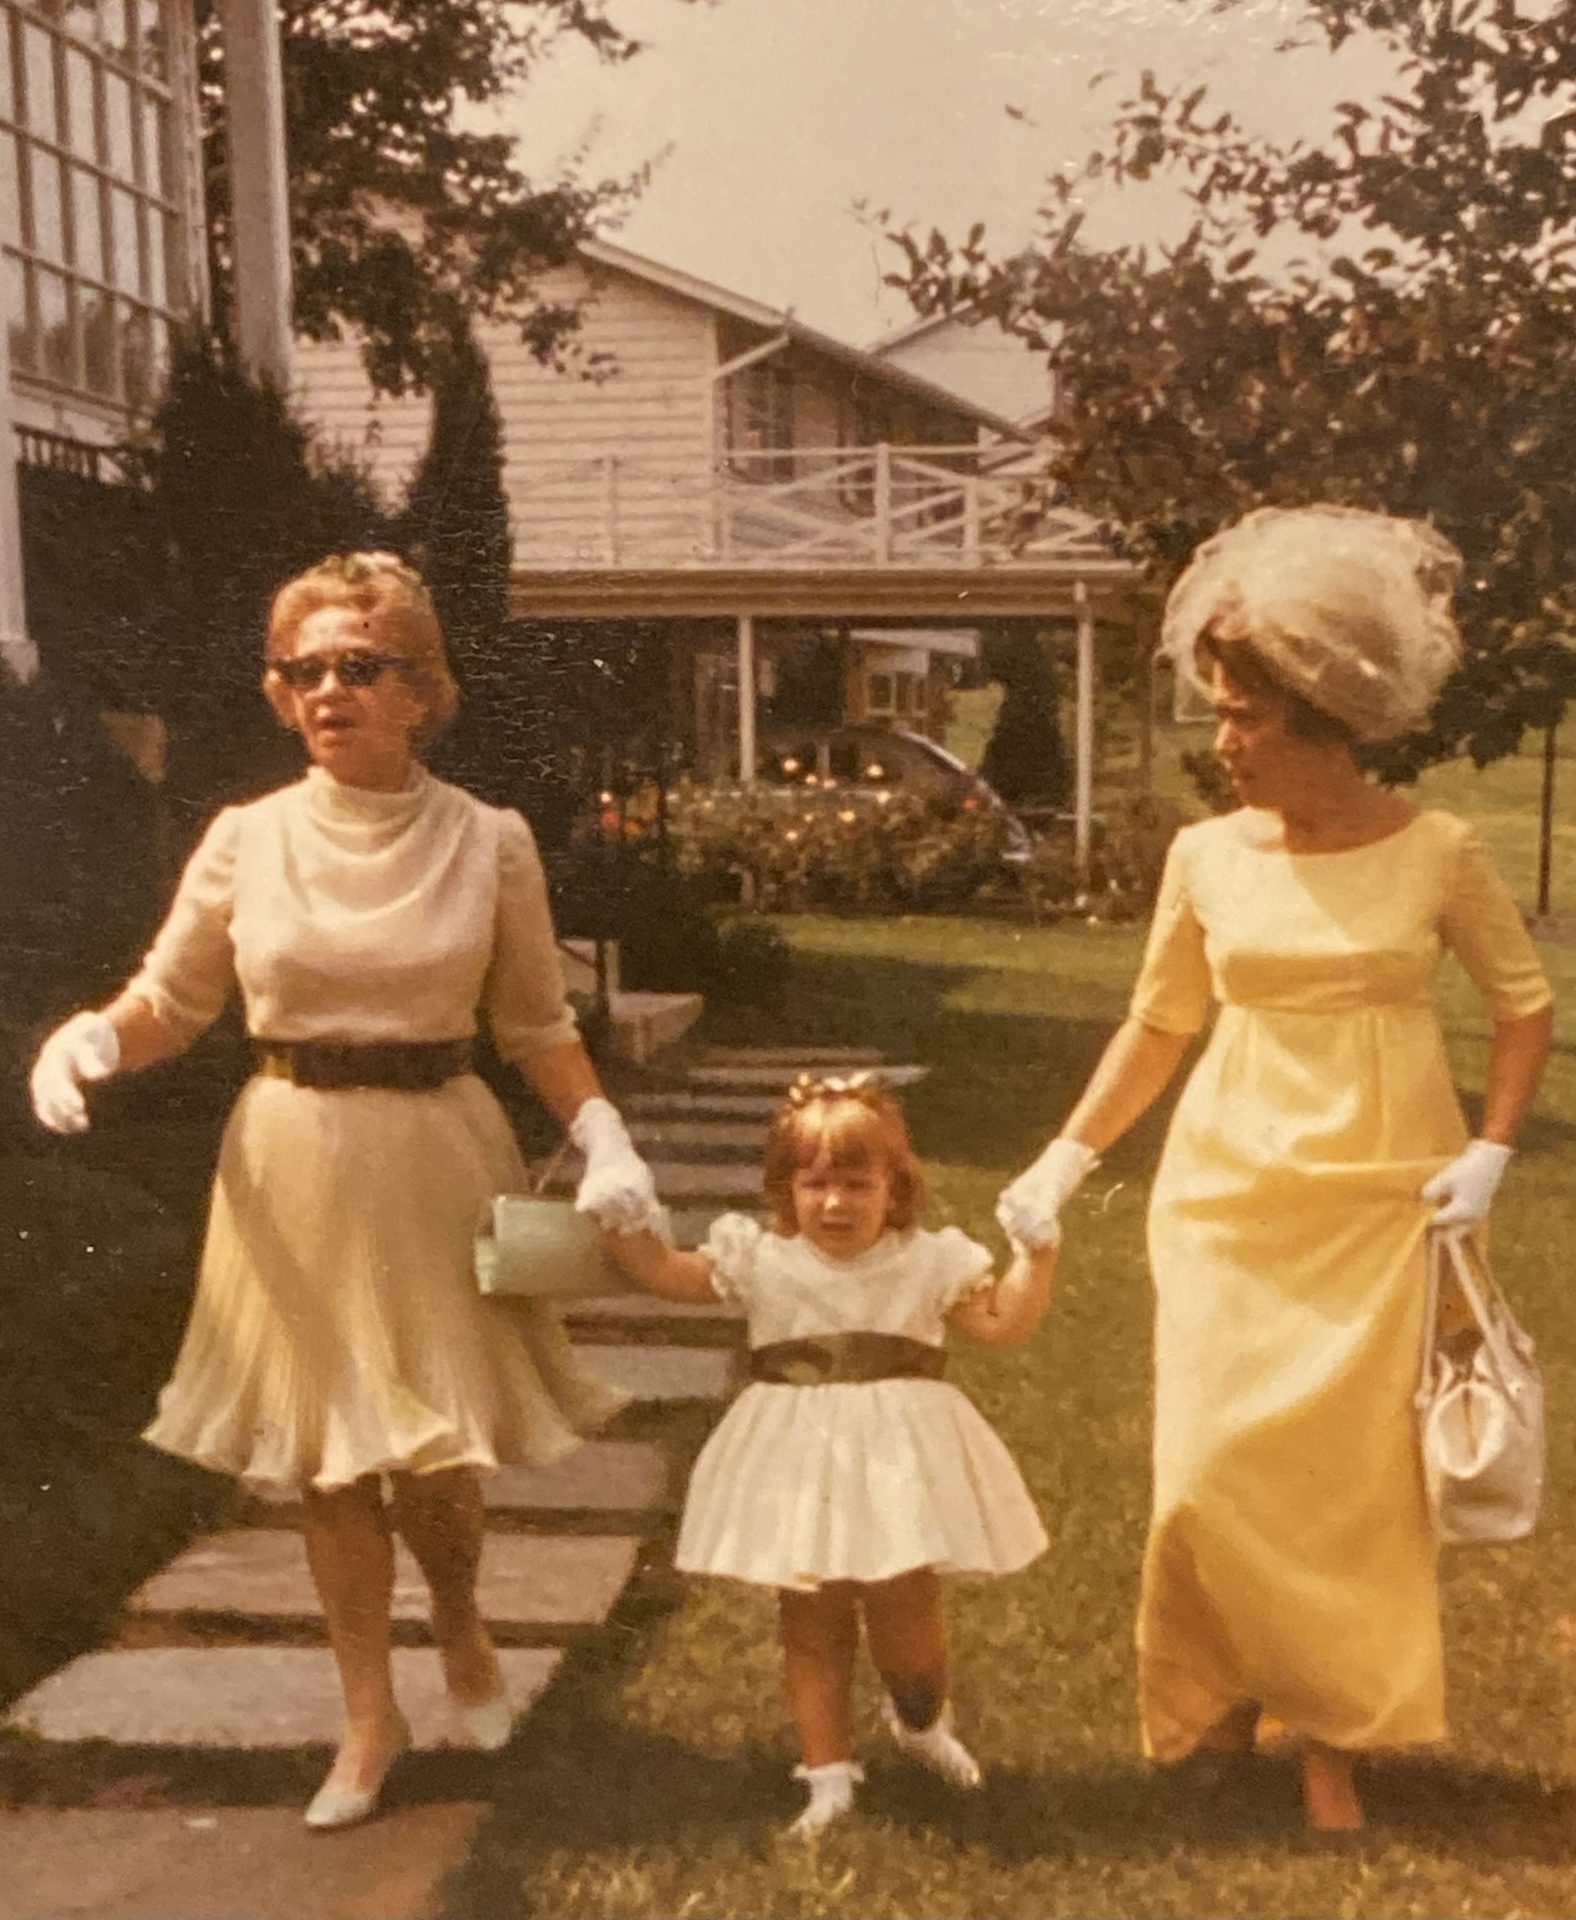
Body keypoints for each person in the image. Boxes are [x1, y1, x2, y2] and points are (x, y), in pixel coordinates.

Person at [27, 552, 665, 1831]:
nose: (329, 690)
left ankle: (466, 1623)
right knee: (328, 1459)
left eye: (360, 668)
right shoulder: (244, 839)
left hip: (439, 1149)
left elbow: (536, 1021)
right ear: (280, 694)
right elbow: (175, 1000)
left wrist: (602, 1131)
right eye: (303, 670)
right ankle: (367, 1716)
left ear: (423, 690)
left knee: (432, 1462)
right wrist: (92, 1035)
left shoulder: (488, 841)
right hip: (293, 1157)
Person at [998, 505, 1554, 1833]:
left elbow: (1524, 1004)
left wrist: (1489, 1154)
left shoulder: (1439, 853)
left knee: (1347, 1492)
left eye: (1244, 718)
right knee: (1209, 1466)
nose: (1224, 745)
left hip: (1383, 1199)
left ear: (1316, 715)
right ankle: (1215, 1696)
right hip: (1226, 1197)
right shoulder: (1204, 858)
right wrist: (1066, 1159)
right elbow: (1159, 1021)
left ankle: (1329, 1742)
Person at [605, 1075, 1054, 1836]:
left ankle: (919, 1720)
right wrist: (625, 1222)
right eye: (815, 1184)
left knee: (908, 1626)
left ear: (894, 1185)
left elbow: (1004, 1323)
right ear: (785, 1188)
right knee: (811, 1619)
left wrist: (1035, 1255)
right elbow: (667, 1275)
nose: (836, 1204)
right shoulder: (764, 1260)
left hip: (898, 1464)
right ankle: (827, 1775)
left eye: (857, 1183)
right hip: (798, 1462)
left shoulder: (926, 1262)